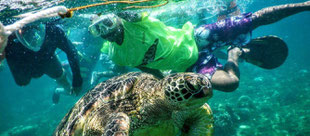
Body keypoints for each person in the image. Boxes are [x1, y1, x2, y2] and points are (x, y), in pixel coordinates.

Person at [88, 1, 310, 92]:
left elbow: (125, 7)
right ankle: (237, 53)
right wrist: (161, 79)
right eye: (99, 29)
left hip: (196, 38)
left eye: (107, 22)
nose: (107, 30)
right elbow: (142, 66)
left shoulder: (134, 21)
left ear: (116, 18)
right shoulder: (117, 55)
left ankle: (306, 5)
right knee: (230, 84)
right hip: (191, 63)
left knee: (252, 20)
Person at [0, 21, 83, 103]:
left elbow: (71, 51)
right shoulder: (9, 36)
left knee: (61, 78)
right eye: (25, 29)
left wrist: (77, 80)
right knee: (22, 82)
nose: (31, 33)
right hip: (24, 61)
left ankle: (62, 90)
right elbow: (71, 51)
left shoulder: (53, 30)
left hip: (47, 59)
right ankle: (63, 73)